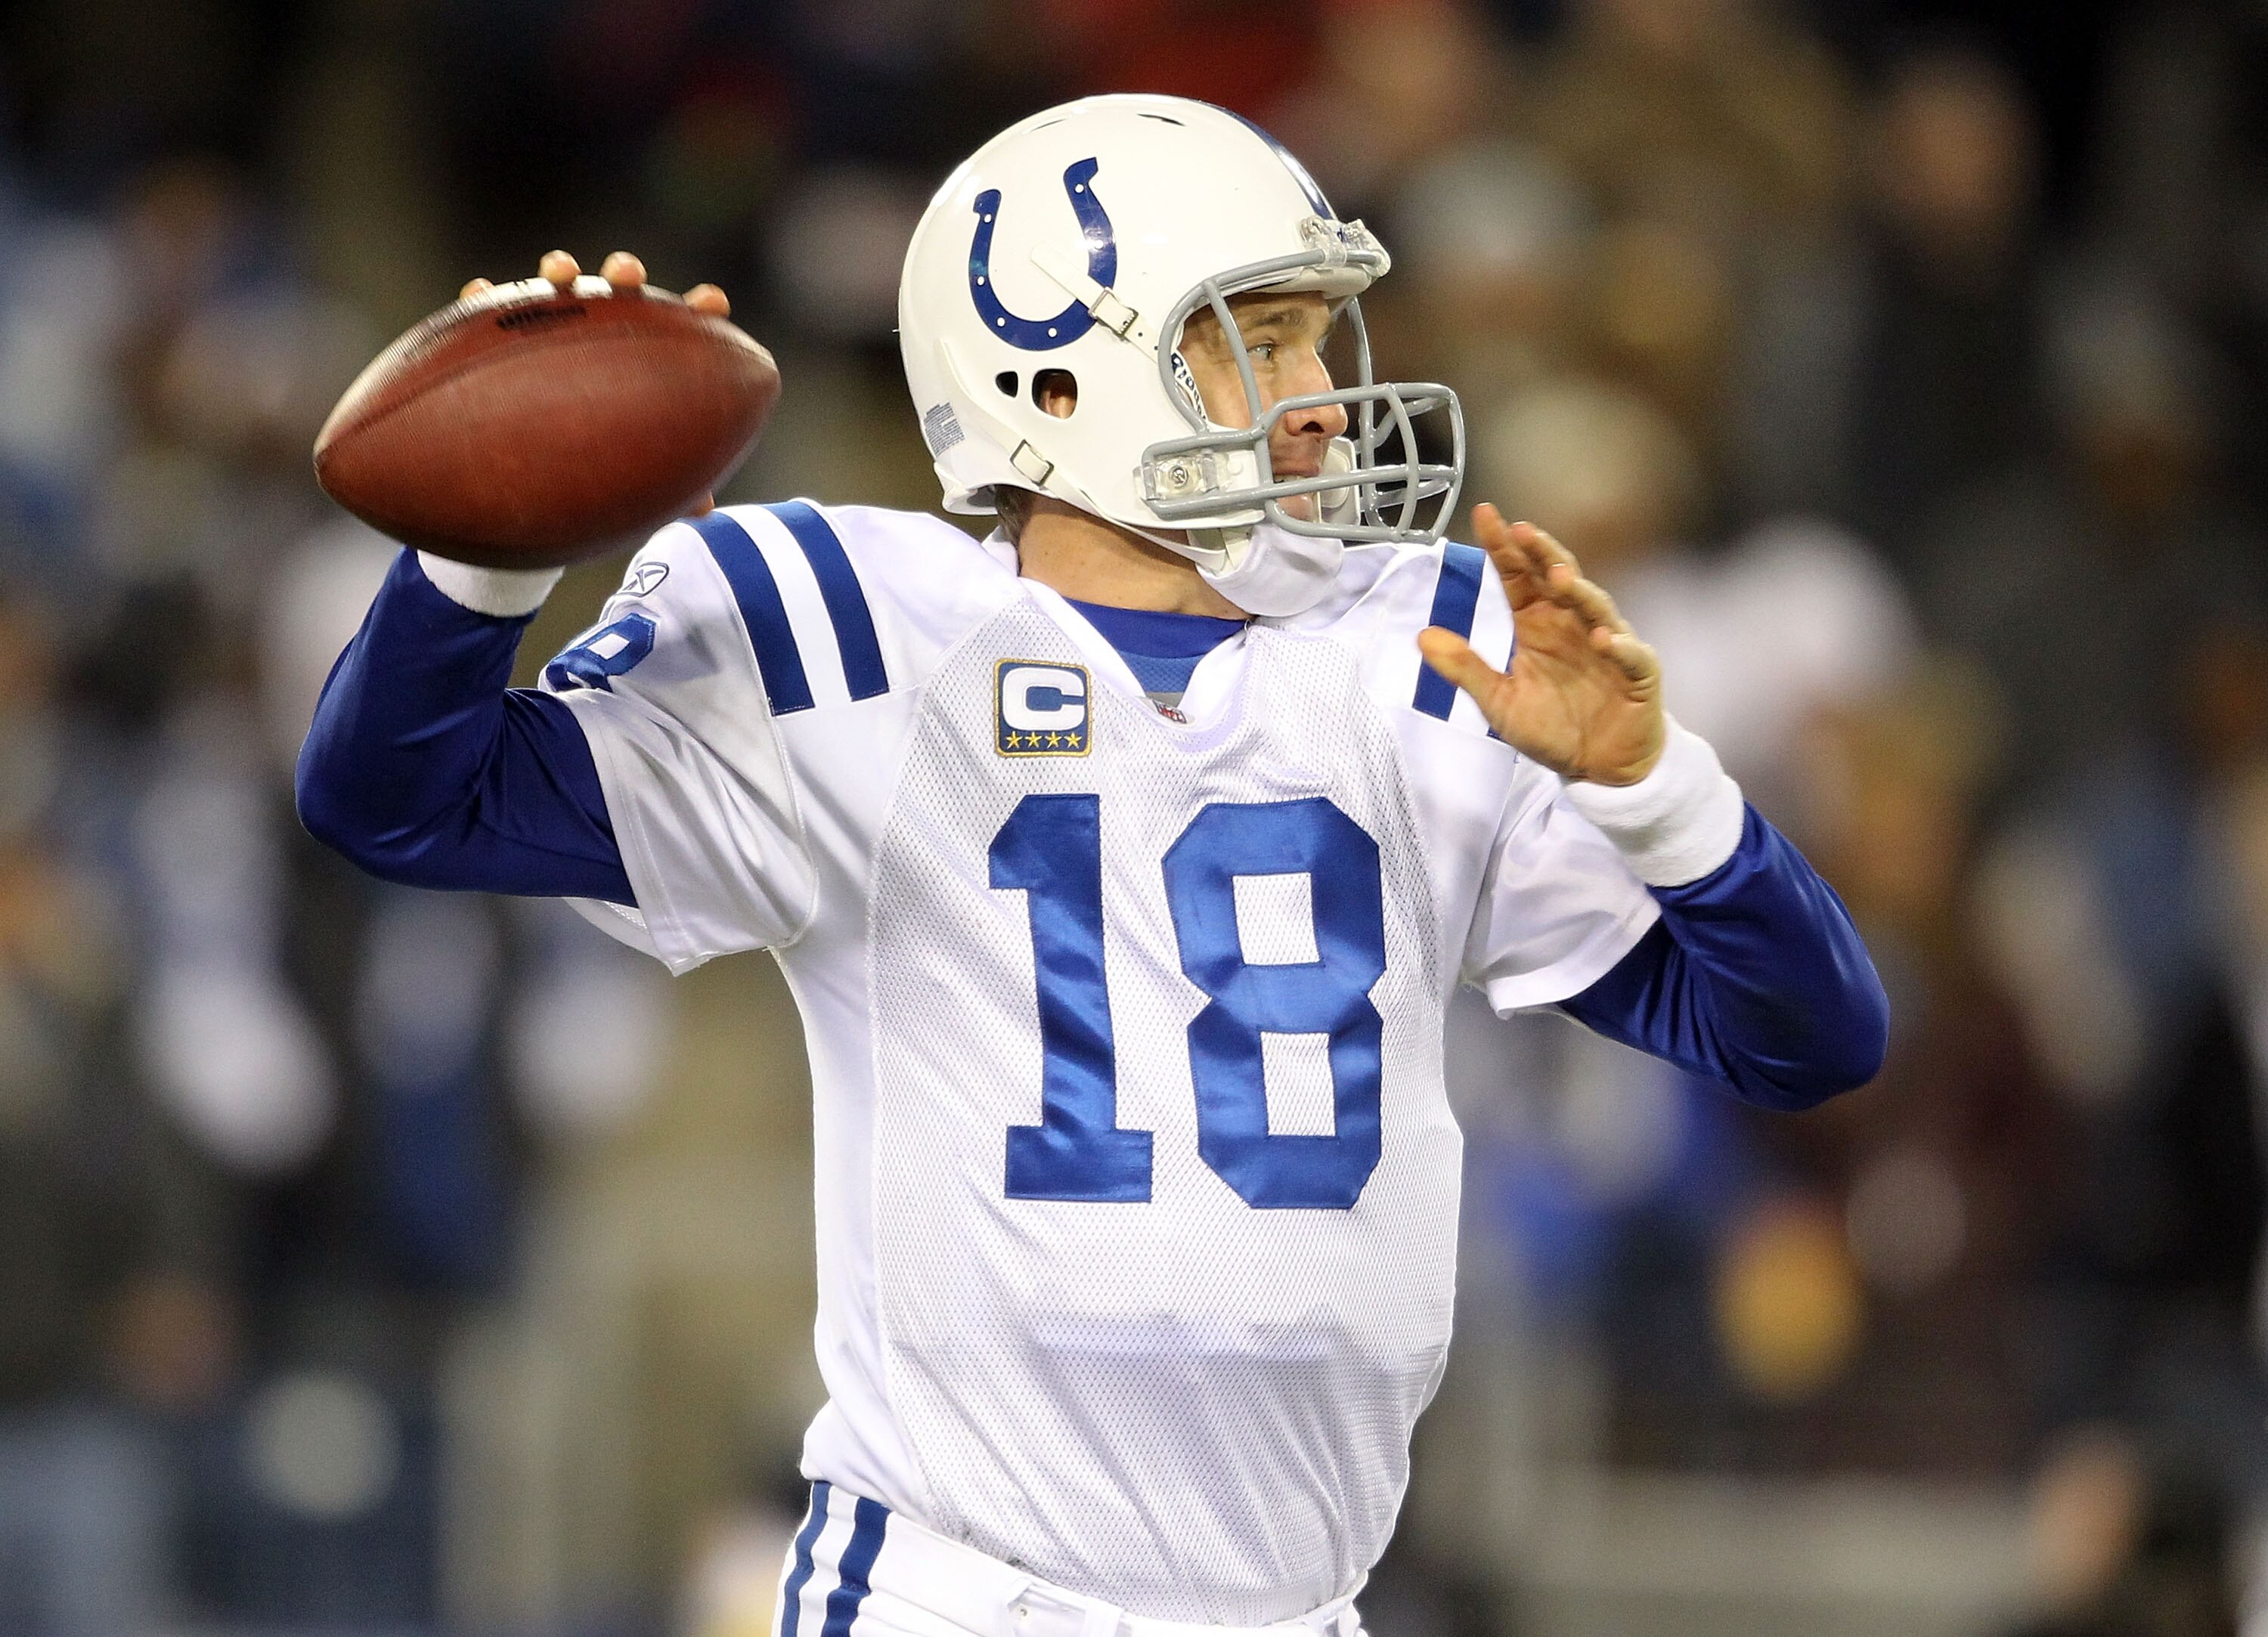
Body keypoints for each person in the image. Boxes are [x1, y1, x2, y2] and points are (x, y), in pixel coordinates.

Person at [297, 95, 1887, 1635]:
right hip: (956, 1596)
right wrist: (489, 543)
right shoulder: (857, 630)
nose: (1321, 395)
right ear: (1057, 381)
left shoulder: (1427, 647)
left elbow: (1806, 1040)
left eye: (1318, 339)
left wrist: (1657, 790)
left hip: (1300, 1610)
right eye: (1257, 340)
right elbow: (400, 801)